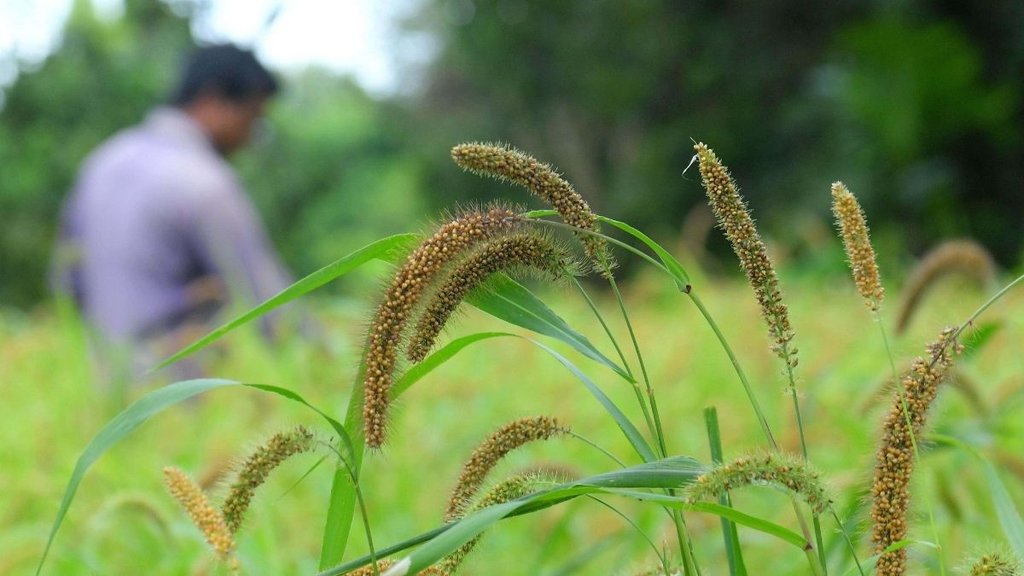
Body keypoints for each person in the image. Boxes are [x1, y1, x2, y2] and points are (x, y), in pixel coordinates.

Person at [53, 43, 295, 380]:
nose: (251, 137)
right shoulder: (204, 181)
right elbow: (271, 307)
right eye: (253, 117)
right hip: (182, 402)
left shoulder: (101, 163)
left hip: (103, 391)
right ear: (213, 100)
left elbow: (67, 283)